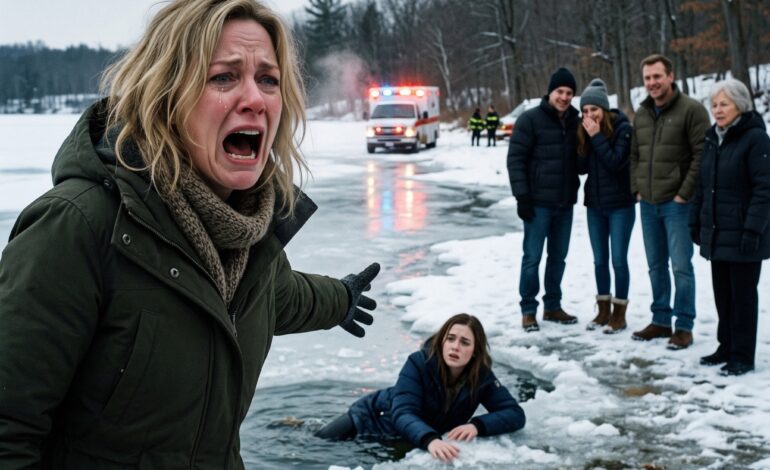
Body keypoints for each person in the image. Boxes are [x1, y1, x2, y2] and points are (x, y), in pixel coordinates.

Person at [0, 1, 380, 467]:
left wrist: (341, 299)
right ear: (164, 93)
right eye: (223, 77)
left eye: (268, 80)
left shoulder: (248, 243)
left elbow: (285, 296)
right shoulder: (77, 227)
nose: (255, 100)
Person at [316, 313, 525, 464]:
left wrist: (477, 425)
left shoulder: (482, 377)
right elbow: (403, 412)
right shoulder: (418, 363)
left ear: (475, 352)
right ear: (442, 341)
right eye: (450, 338)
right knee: (315, 447)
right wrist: (430, 440)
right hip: (366, 421)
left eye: (464, 342)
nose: (455, 347)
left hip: (404, 438)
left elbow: (515, 414)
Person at [629, 54, 710, 350]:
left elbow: (702, 155)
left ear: (670, 76)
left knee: (680, 266)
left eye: (657, 76)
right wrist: (637, 188)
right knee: (655, 265)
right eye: (647, 78)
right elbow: (635, 154)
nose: (652, 83)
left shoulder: (692, 110)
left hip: (677, 204)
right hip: (648, 203)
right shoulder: (642, 113)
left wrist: (683, 194)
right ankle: (661, 320)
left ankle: (684, 326)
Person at [690, 79, 770, 376]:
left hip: (744, 234)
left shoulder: (755, 139)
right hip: (718, 231)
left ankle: (742, 355)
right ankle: (726, 346)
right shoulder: (713, 138)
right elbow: (704, 186)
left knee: (743, 296)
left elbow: (764, 189)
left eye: (724, 104)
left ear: (741, 105)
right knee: (723, 294)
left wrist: (753, 230)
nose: (718, 110)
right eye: (714, 105)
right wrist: (695, 220)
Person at [507, 67, 581, 332]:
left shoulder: (575, 121)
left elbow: (580, 162)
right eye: (560, 91)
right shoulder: (530, 120)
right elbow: (515, 160)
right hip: (537, 204)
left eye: (569, 93)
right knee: (532, 258)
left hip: (565, 203)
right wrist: (522, 196)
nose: (564, 97)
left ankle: (553, 306)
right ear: (550, 92)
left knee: (558, 257)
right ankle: (529, 310)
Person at [576, 79, 636, 334]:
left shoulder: (623, 129)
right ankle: (603, 310)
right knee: (600, 260)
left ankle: (619, 314)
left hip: (620, 205)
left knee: (618, 260)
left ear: (604, 109)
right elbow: (581, 169)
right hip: (595, 206)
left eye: (594, 110)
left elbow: (615, 163)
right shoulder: (588, 133)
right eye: (585, 111)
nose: (590, 115)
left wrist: (595, 136)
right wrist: (583, 143)